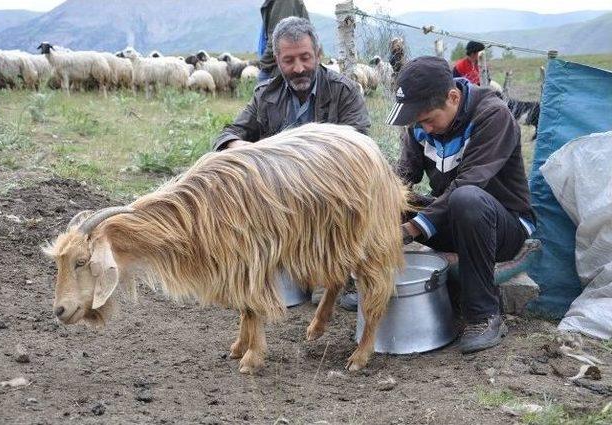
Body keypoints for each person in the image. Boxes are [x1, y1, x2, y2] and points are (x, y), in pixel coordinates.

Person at [386, 56, 536, 353]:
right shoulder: (421, 126)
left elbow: (470, 183)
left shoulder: (493, 116)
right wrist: (378, 197)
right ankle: (374, 285)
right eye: (417, 122)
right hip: (453, 218)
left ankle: (483, 315)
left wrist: (412, 228)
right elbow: (404, 175)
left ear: (453, 97)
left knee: (465, 198)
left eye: (428, 119)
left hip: (502, 226)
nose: (423, 128)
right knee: (388, 197)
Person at [212, 16, 370, 151]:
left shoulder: (344, 91)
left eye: (305, 57)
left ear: (318, 54)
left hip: (330, 180)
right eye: (288, 60)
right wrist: (246, 148)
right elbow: (228, 135)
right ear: (277, 61)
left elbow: (359, 145)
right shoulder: (265, 95)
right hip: (276, 181)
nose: (299, 69)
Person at [257, 0, 309, 82]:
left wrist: (263, 64)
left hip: (276, 68)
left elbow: (279, 37)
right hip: (277, 65)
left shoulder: (283, 2)